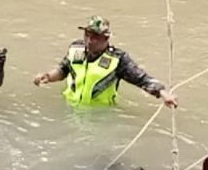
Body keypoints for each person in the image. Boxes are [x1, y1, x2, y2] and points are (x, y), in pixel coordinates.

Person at [33, 16, 178, 108]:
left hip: (99, 114)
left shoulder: (117, 59)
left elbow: (142, 79)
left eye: (95, 37)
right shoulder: (75, 48)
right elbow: (63, 70)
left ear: (106, 38)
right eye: (87, 35)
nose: (89, 40)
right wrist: (48, 76)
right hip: (69, 107)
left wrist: (163, 93)